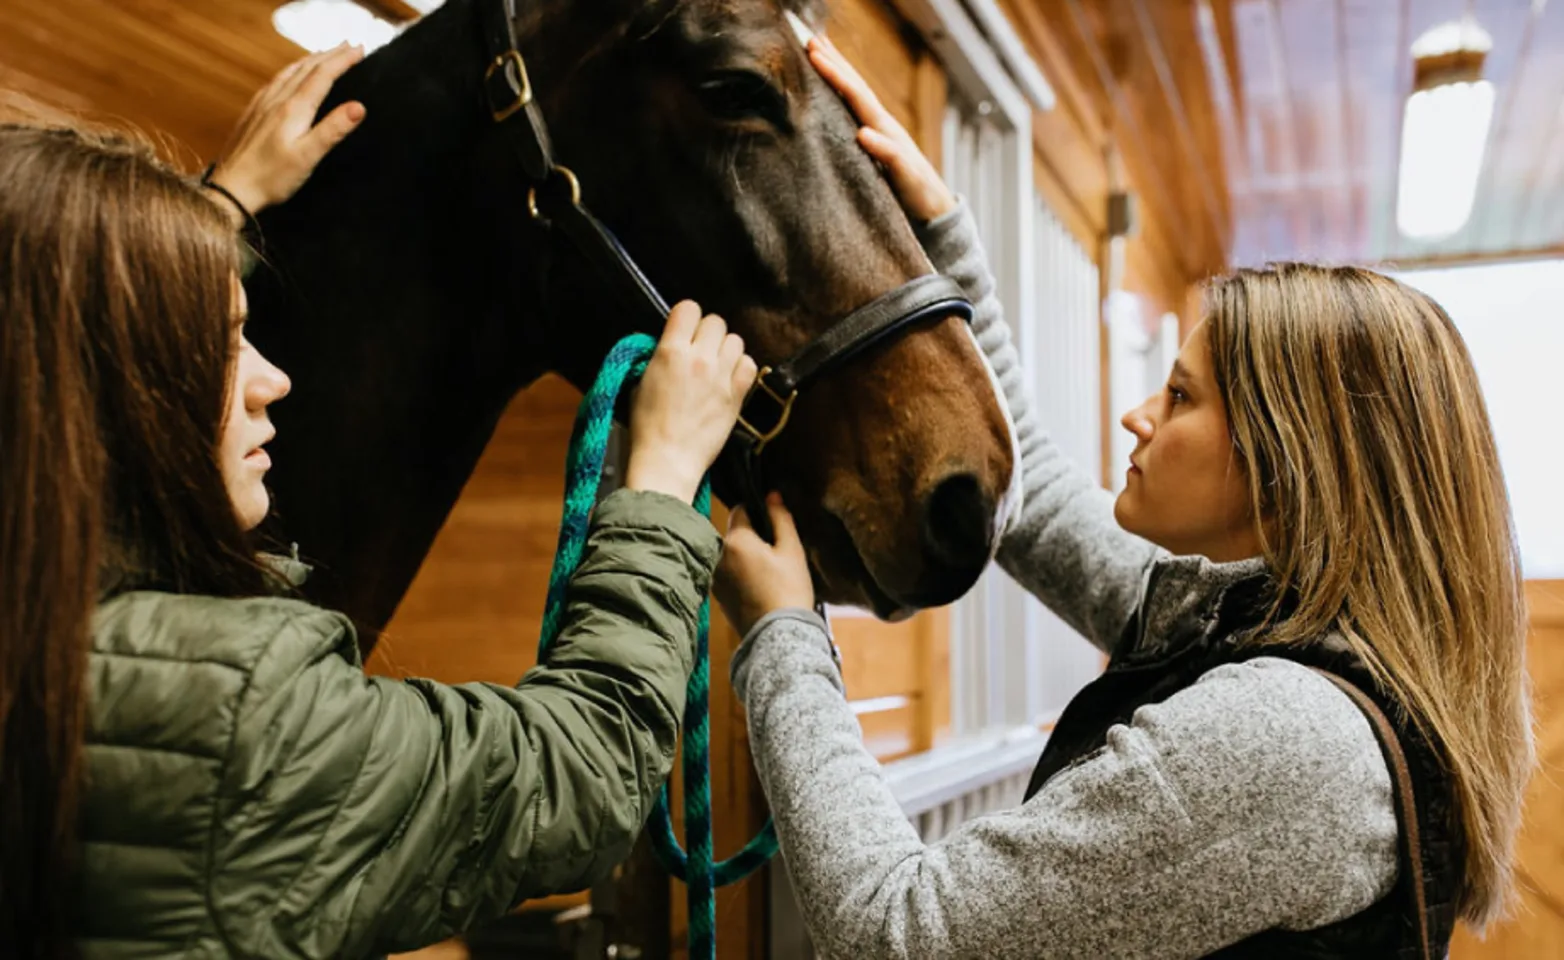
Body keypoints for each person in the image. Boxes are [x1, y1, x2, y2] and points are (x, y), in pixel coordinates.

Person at [713, 35, 1532, 959]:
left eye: (1180, 396)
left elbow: (900, 934)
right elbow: (1043, 501)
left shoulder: (1284, 738)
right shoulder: (1265, 627)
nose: (1140, 416)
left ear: (1288, 462)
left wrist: (783, 636)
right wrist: (943, 238)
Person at [0, 43, 756, 959]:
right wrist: (666, 477)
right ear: (113, 385)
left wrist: (222, 208)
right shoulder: (241, 714)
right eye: (223, 340)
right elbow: (577, 779)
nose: (273, 379)